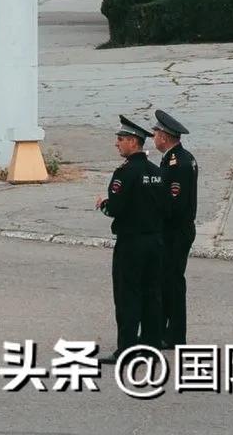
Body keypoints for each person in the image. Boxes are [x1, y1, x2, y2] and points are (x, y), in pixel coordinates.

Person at [96, 115, 166, 362]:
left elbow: (115, 208)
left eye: (121, 139)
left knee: (128, 296)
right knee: (152, 295)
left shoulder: (125, 173)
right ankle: (151, 346)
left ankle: (126, 349)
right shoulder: (156, 172)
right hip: (155, 242)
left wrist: (104, 204)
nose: (117, 144)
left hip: (131, 243)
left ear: (134, 142)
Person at [152, 109, 198, 347]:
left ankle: (172, 334)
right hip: (177, 230)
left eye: (156, 132)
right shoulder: (179, 157)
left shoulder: (177, 163)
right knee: (168, 282)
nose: (154, 137)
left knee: (171, 283)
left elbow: (173, 204)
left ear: (165, 136)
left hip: (175, 232)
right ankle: (167, 332)